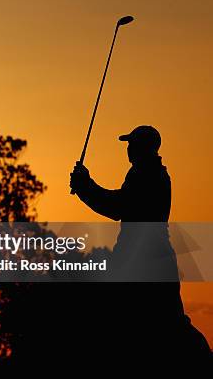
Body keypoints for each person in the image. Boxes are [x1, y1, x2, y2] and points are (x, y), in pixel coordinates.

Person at [69, 125, 211, 365]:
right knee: (165, 324)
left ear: (143, 148)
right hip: (153, 258)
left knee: (142, 323)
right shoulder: (146, 173)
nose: (128, 149)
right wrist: (86, 187)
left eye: (132, 144)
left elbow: (118, 207)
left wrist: (85, 186)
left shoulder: (147, 175)